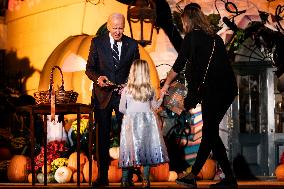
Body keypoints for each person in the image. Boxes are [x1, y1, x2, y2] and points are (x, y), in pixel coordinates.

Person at [160, 3, 238, 189]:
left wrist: (165, 86)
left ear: (187, 19)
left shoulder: (191, 37)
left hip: (213, 91)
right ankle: (229, 178)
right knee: (211, 133)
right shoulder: (215, 39)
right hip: (227, 90)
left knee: (209, 133)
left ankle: (193, 175)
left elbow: (178, 66)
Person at [85, 13, 140, 187]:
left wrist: (129, 85)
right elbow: (89, 69)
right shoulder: (97, 42)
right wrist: (98, 78)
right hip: (103, 96)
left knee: (127, 137)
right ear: (108, 26)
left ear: (124, 27)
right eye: (114, 28)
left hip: (124, 96)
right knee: (102, 136)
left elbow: (137, 70)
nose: (117, 31)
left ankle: (128, 177)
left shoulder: (132, 44)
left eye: (121, 28)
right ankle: (102, 177)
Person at [118, 59, 169, 188]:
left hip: (130, 122)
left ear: (133, 72)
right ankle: (145, 180)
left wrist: (130, 114)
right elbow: (155, 106)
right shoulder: (149, 89)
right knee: (146, 149)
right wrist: (162, 95)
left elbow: (121, 109)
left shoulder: (126, 90)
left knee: (128, 149)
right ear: (145, 72)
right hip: (147, 122)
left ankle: (124, 180)